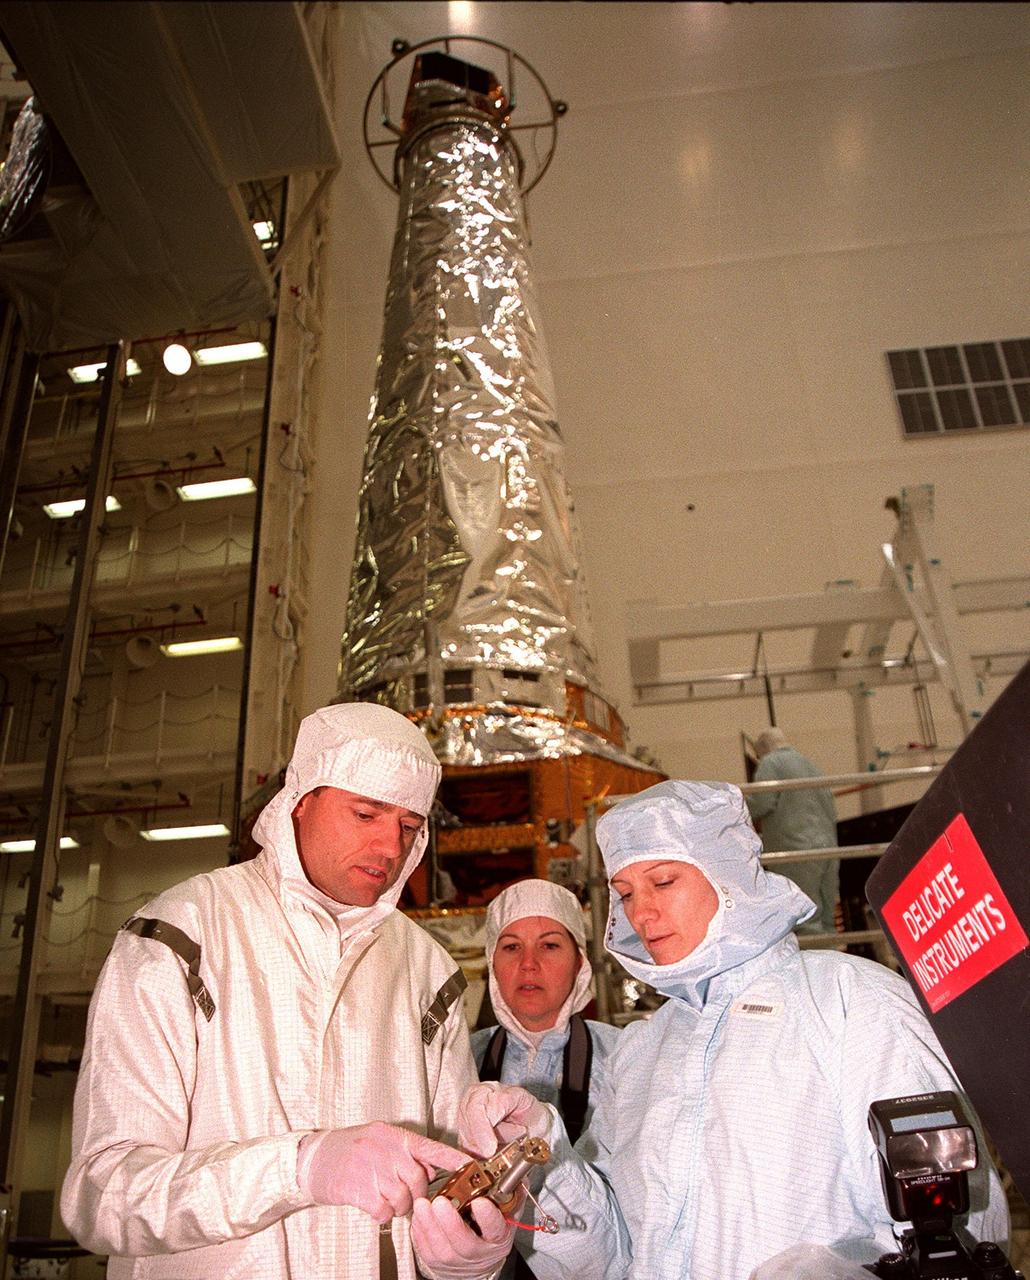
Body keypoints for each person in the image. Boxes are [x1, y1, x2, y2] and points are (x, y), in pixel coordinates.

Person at [451, 780, 1009, 1280]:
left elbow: (964, 1229)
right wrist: (546, 1151)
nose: (640, 915)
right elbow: (613, 1257)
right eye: (624, 893)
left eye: (663, 881)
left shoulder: (850, 1001)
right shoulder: (644, 1048)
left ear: (727, 872)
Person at [61, 702, 514, 1280]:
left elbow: (437, 1203)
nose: (389, 848)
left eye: (408, 826)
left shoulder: (428, 972)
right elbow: (102, 1196)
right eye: (365, 814)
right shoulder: (182, 935)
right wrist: (296, 1170)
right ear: (300, 802)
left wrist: (468, 1253)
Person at [471, 880, 620, 1278]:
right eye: (511, 947)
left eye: (550, 945)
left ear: (579, 962)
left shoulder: (623, 1058)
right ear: (492, 963)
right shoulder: (459, 1059)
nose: (528, 964)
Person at [746, 726, 840, 936]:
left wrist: (739, 806)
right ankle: (832, 958)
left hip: (796, 848)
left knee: (805, 916)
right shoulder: (810, 764)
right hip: (828, 848)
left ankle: (813, 966)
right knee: (827, 916)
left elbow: (762, 801)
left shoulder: (770, 763)